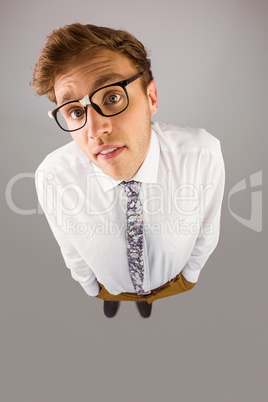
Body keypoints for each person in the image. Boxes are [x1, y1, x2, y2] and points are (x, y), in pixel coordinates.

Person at [32, 23, 225, 319]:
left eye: (111, 97)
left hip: (172, 281)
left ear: (151, 98)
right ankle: (112, 300)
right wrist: (93, 288)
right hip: (108, 286)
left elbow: (207, 227)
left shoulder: (203, 153)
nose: (95, 131)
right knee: (111, 296)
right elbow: (69, 247)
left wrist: (189, 275)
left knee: (148, 301)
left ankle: (146, 301)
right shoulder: (53, 176)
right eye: (75, 111)